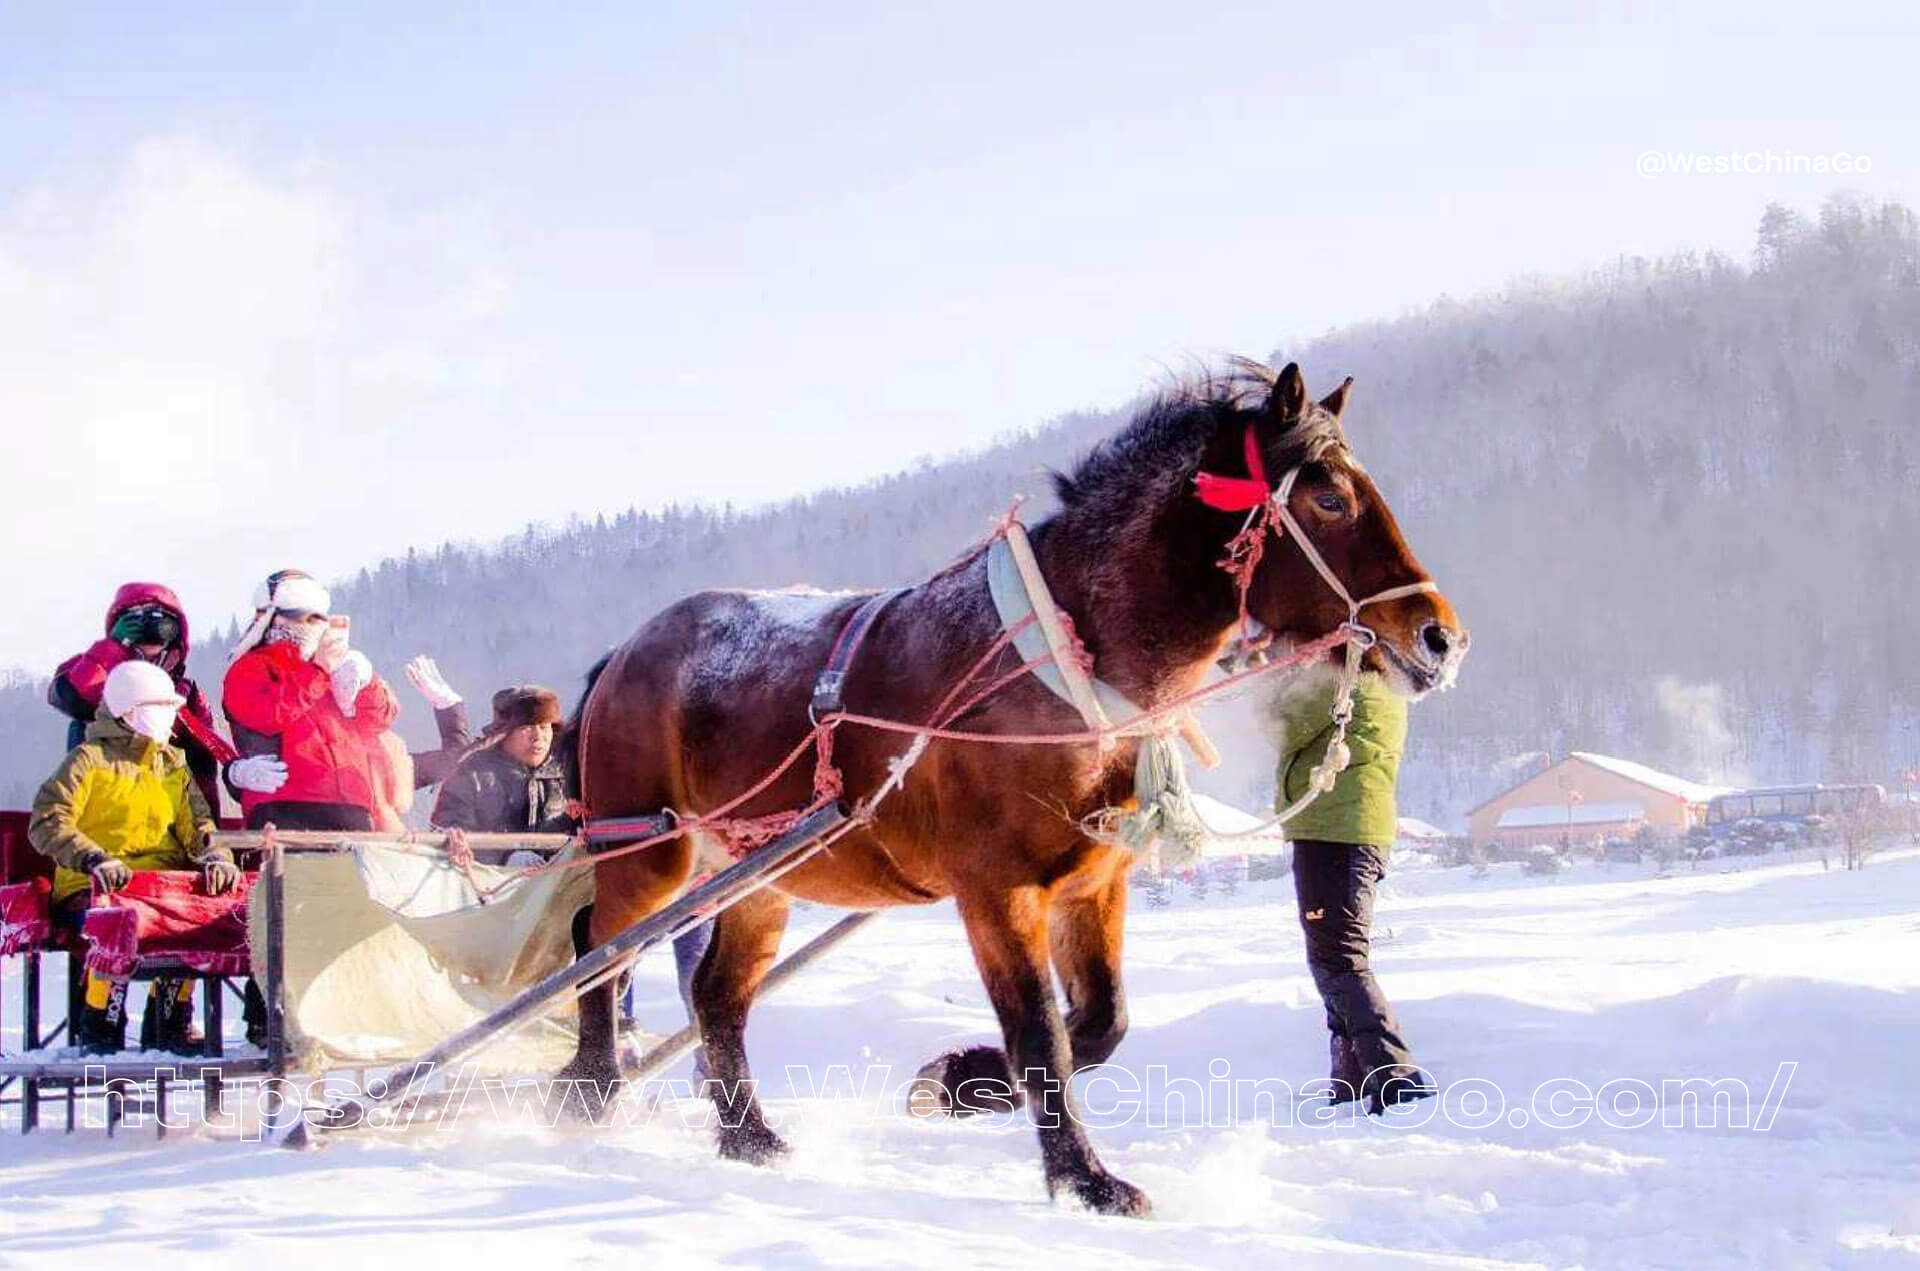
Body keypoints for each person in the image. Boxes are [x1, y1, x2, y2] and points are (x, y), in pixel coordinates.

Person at [432, 685, 712, 1073]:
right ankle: (487, 1063)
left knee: (612, 938)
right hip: (499, 899)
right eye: (528, 727)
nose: (538, 737)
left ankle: (616, 1039)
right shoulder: (475, 774)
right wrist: (503, 856)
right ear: (505, 732)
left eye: (546, 728)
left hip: (564, 896)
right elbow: (449, 831)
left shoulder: (569, 772)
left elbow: (597, 821)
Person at [29, 661, 240, 1055]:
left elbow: (199, 826)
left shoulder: (173, 765)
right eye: (158, 707)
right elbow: (48, 821)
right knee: (121, 924)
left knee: (208, 920)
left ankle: (169, 1018)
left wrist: (216, 856)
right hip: (98, 887)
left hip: (161, 889)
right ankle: (101, 1018)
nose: (168, 716)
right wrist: (92, 858)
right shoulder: (88, 761)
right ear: (129, 710)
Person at [1268, 666, 1435, 1116]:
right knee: (1333, 958)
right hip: (1346, 828)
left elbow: (1282, 720)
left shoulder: (1345, 678)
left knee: (1338, 960)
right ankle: (1352, 1079)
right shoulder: (1381, 681)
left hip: (1335, 831)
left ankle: (1396, 1076)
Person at [47, 582, 284, 814]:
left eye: (160, 618)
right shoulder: (93, 668)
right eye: (136, 619)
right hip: (105, 802)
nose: (149, 626)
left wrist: (206, 830)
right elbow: (74, 698)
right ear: (118, 625)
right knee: (84, 727)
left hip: (165, 809)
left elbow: (204, 764)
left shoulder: (186, 696)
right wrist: (113, 648)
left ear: (177, 630)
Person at [222, 570, 399, 832]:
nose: (312, 626)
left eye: (319, 618)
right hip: (285, 805)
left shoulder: (336, 665)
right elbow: (265, 716)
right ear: (270, 617)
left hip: (353, 806)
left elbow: (378, 721)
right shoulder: (251, 667)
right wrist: (317, 672)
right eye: (301, 617)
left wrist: (365, 680)